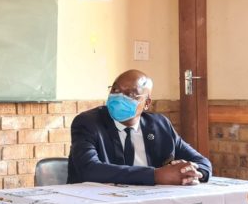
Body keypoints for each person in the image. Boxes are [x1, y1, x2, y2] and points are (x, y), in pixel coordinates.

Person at [67, 69, 211, 185]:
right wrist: (155, 175)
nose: (119, 97)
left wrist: (191, 173)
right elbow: (89, 169)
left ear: (147, 103)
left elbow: (203, 163)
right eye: (115, 90)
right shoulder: (88, 123)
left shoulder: (160, 125)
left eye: (130, 94)